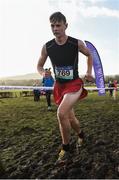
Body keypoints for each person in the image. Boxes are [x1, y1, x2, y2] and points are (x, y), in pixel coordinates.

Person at [37, 12, 93, 165]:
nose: (55, 29)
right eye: (52, 26)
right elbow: (39, 65)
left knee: (61, 113)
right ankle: (81, 135)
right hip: (59, 86)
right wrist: (44, 73)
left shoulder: (76, 43)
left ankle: (66, 147)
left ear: (65, 26)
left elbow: (90, 54)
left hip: (74, 84)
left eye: (58, 25)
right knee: (69, 117)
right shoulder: (47, 46)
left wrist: (88, 72)